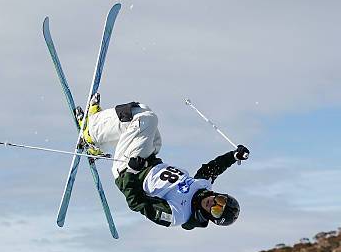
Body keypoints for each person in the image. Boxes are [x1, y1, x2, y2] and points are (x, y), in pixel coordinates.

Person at [75, 95, 250, 230]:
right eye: (219, 200)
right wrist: (234, 156)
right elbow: (214, 168)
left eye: (216, 210)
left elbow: (137, 203)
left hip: (130, 170)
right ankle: (97, 139)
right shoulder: (203, 185)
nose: (213, 203)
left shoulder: (178, 215)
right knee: (141, 110)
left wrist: (131, 173)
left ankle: (90, 132)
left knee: (147, 119)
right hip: (149, 158)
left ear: (212, 218)